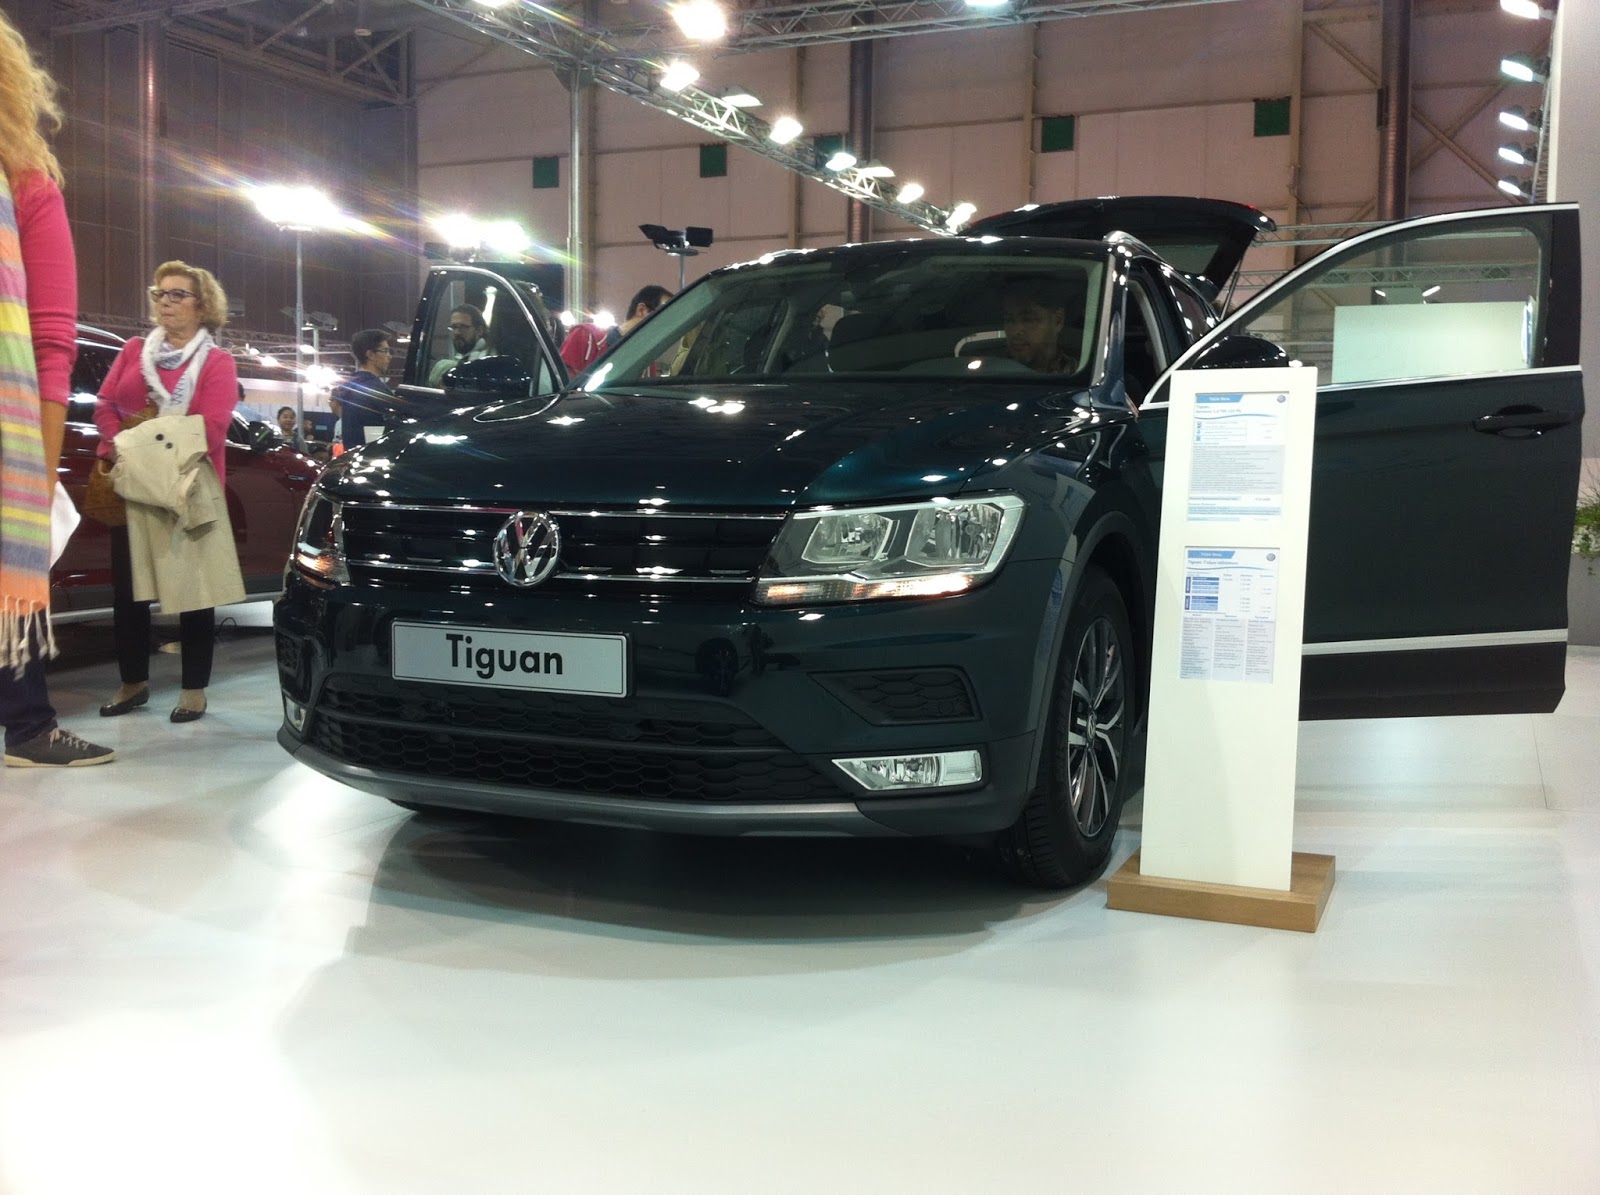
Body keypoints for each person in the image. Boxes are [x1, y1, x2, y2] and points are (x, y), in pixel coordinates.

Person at [0, 15, 115, 767]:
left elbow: (50, 342)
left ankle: (28, 724)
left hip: (5, 432)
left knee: (8, 566)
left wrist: (37, 473)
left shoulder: (25, 184)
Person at [94, 261, 243, 724]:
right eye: (160, 293)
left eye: (179, 294)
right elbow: (105, 404)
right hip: (133, 484)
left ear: (203, 305)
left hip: (186, 484)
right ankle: (133, 683)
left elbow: (211, 428)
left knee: (193, 591)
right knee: (129, 594)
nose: (166, 301)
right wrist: (119, 445)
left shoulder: (217, 362)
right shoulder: (134, 351)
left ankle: (193, 689)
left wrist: (144, 447)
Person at [559, 284, 672, 373]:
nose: (668, 325)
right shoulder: (586, 336)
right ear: (642, 310)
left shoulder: (647, 363)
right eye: (665, 315)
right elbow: (563, 384)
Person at [331, 328, 396, 451]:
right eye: (385, 351)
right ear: (370, 355)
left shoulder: (348, 387)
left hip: (353, 457)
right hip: (373, 456)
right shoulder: (376, 390)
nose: (389, 356)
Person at [1001, 276, 1078, 373]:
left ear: (1057, 321)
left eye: (1028, 320)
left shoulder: (1080, 374)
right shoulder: (991, 371)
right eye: (1009, 320)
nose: (1015, 331)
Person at [426, 304, 490, 385]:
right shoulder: (461, 355)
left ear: (479, 331)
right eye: (454, 327)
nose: (457, 333)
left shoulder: (488, 360)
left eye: (463, 327)